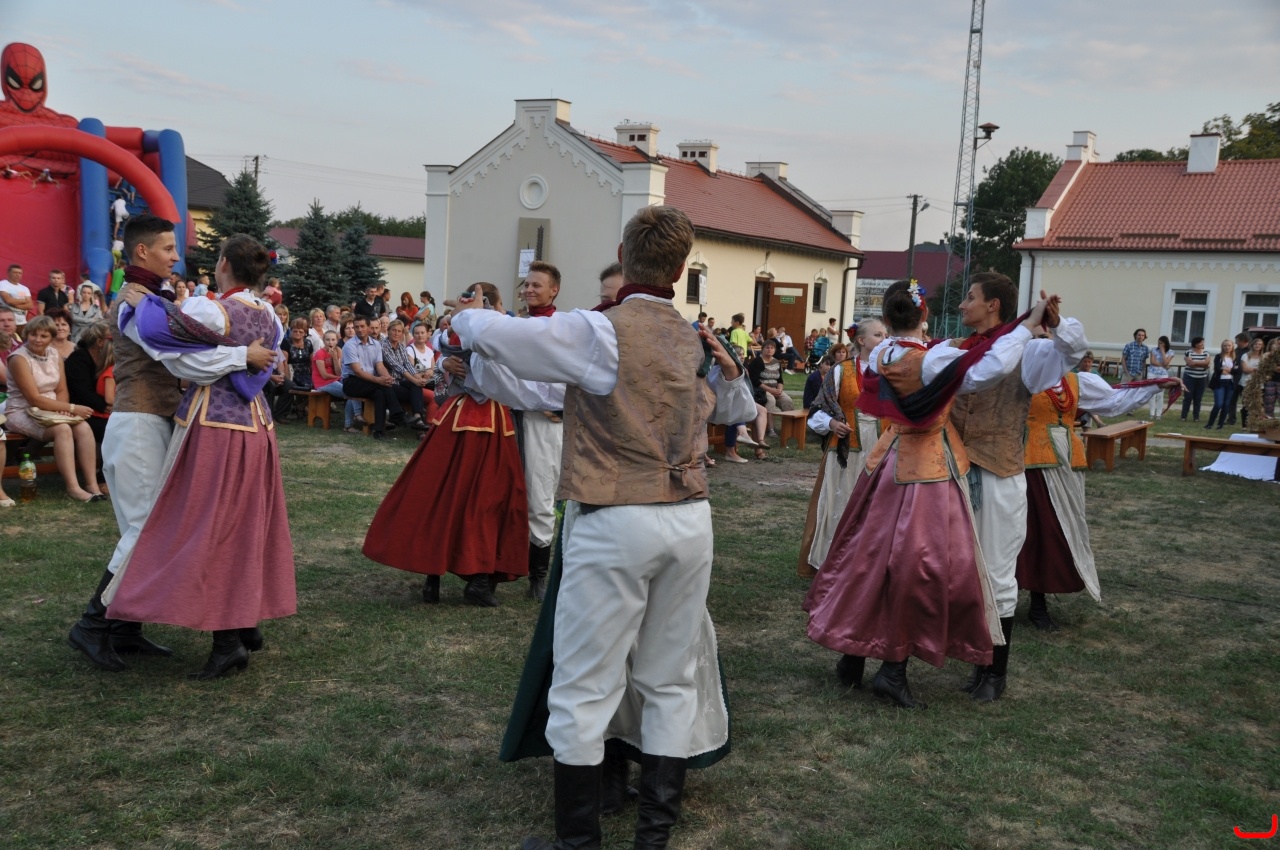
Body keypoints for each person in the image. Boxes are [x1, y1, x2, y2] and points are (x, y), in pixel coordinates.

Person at [449, 207, 756, 850]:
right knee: (669, 681)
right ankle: (651, 842)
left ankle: (579, 845)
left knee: (584, 689)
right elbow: (721, 406)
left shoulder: (601, 329)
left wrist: (467, 315)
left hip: (617, 516)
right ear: (681, 268)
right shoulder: (692, 338)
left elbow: (500, 335)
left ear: (623, 253)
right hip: (690, 518)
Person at [806, 281, 1052, 710]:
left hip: (887, 459)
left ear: (887, 320)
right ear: (925, 317)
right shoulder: (932, 357)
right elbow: (986, 369)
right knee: (917, 568)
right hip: (927, 469)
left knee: (870, 559)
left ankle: (852, 657)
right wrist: (1025, 328)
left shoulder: (881, 353)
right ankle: (893, 668)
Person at [67, 214, 274, 674]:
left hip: (160, 420)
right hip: (137, 422)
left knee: (155, 527)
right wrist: (243, 354)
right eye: (167, 248)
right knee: (145, 530)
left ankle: (126, 627)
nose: (176, 257)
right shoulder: (132, 301)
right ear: (142, 251)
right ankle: (92, 626)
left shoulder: (154, 299)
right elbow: (171, 352)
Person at [946, 271, 1085, 702]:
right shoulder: (955, 348)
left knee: (997, 571)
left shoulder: (1029, 351)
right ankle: (975, 658)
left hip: (1000, 473)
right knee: (959, 569)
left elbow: (1074, 349)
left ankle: (995, 672)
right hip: (954, 471)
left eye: (970, 297)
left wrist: (1054, 321)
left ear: (993, 305)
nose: (962, 304)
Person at [362, 282, 529, 606]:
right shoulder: (482, 331)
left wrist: (443, 362)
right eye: (497, 306)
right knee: (477, 496)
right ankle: (471, 578)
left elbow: (451, 354)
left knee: (446, 492)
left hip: (465, 415)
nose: (501, 311)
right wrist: (443, 363)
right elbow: (463, 361)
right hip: (480, 418)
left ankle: (445, 576)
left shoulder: (472, 330)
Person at [1016, 350, 1178, 631]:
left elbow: (1112, 401)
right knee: (1039, 530)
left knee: (1064, 527)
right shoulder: (1020, 378)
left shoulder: (1076, 381)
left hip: (1066, 462)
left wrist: (1154, 386)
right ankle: (1025, 601)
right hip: (1030, 461)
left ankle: (1037, 601)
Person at [799, 321, 885, 579]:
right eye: (877, 334)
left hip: (883, 448)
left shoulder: (894, 370)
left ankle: (870, 569)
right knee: (841, 503)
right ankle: (835, 566)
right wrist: (832, 423)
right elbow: (818, 409)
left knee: (878, 507)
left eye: (886, 334)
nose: (884, 338)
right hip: (846, 450)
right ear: (861, 340)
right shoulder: (842, 370)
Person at [508, 259, 565, 601]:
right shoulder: (516, 327)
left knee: (544, 494)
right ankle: (502, 568)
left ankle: (540, 575)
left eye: (536, 285)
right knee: (510, 492)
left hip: (550, 424)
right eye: (527, 284)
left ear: (553, 290)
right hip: (515, 419)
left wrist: (562, 405)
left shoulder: (564, 329)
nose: (529, 289)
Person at [4, 315, 105, 502]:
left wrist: (63, 409)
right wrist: (71, 408)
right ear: (26, 335)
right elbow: (34, 398)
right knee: (62, 429)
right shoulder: (18, 359)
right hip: (22, 410)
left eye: (43, 336)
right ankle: (73, 487)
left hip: (52, 407)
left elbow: (61, 389)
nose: (37, 339)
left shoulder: (54, 354)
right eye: (33, 335)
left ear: (51, 337)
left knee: (83, 427)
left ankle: (91, 483)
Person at [342, 316, 397, 438]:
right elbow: (357, 372)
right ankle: (396, 412)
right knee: (381, 387)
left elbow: (379, 365)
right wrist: (379, 380)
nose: (359, 329)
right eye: (356, 327)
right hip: (352, 382)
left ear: (368, 328)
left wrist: (386, 377)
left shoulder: (376, 344)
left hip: (369, 381)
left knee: (380, 394)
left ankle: (378, 431)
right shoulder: (349, 345)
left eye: (362, 326)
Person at [64, 320, 115, 447]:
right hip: (80, 410)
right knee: (113, 430)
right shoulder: (78, 359)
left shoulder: (106, 359)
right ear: (100, 342)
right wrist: (106, 407)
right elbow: (83, 393)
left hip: (98, 410)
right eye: (112, 339)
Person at [379, 319, 429, 431]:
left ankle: (417, 416)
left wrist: (418, 377)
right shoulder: (383, 346)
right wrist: (415, 380)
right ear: (388, 331)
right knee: (415, 387)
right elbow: (397, 366)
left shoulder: (401, 346)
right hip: (390, 383)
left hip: (401, 381)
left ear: (402, 333)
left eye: (399, 331)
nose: (396, 333)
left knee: (416, 385)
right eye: (394, 330)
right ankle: (417, 420)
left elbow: (408, 364)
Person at [748, 339, 795, 436]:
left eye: (772, 348)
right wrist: (770, 390)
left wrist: (779, 390)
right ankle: (770, 429)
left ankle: (789, 428)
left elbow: (780, 380)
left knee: (787, 400)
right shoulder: (757, 361)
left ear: (775, 350)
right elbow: (755, 381)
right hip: (761, 390)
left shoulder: (776, 362)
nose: (769, 350)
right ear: (762, 349)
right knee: (771, 401)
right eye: (767, 348)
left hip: (775, 389)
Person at [1206, 338, 1240, 430]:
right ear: (1222, 347)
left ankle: (1220, 425)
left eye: (1229, 345)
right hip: (1219, 382)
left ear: (1232, 346)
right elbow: (1217, 369)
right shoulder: (1218, 357)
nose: (1227, 347)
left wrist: (1227, 370)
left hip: (1230, 383)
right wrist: (1227, 370)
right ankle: (1210, 424)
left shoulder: (1235, 358)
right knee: (1218, 404)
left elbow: (1237, 371)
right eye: (1225, 346)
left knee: (1226, 405)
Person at [1181, 337, 1211, 422]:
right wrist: (1202, 364)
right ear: (1195, 344)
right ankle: (1184, 416)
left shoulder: (1206, 353)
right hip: (1189, 377)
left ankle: (1196, 417)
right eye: (1200, 342)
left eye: (1203, 342)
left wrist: (1195, 362)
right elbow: (1190, 364)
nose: (1202, 344)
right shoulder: (1188, 352)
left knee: (1198, 398)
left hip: (1201, 378)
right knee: (1188, 397)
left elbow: (1207, 363)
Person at [1226, 332, 1251, 425]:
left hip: (1245, 379)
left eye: (1237, 341)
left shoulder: (1250, 351)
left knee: (1246, 401)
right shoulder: (1236, 351)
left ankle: (1247, 419)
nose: (1236, 343)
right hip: (1235, 378)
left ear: (1243, 341)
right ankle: (1231, 419)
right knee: (1232, 399)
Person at [1240, 337, 1264, 429]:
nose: (1257, 346)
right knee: (1246, 404)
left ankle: (1255, 424)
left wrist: (1252, 369)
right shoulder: (1245, 356)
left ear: (1262, 346)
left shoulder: (1263, 357)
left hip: (1259, 383)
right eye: (1256, 344)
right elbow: (1245, 369)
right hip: (1246, 382)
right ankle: (1244, 425)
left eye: (1260, 344)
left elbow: (1264, 370)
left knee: (1258, 404)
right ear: (1252, 345)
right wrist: (1257, 369)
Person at [1147, 335, 1175, 418]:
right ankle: (1151, 413)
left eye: (1162, 343)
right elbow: (1153, 362)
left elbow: (1166, 362)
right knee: (1152, 394)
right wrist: (1163, 365)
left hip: (1163, 374)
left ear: (1165, 343)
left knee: (1160, 394)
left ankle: (1158, 414)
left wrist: (1163, 352)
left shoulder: (1170, 352)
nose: (1160, 345)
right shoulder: (1154, 350)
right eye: (1159, 343)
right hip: (1152, 373)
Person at [1, 263, 32, 328]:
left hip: (22, 322)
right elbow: (8, 300)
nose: (17, 275)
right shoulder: (2, 284)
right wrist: (24, 301)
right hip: (6, 323)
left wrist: (14, 303)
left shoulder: (24, 288)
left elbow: (30, 306)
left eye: (20, 273)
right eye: (15, 272)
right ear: (8, 273)